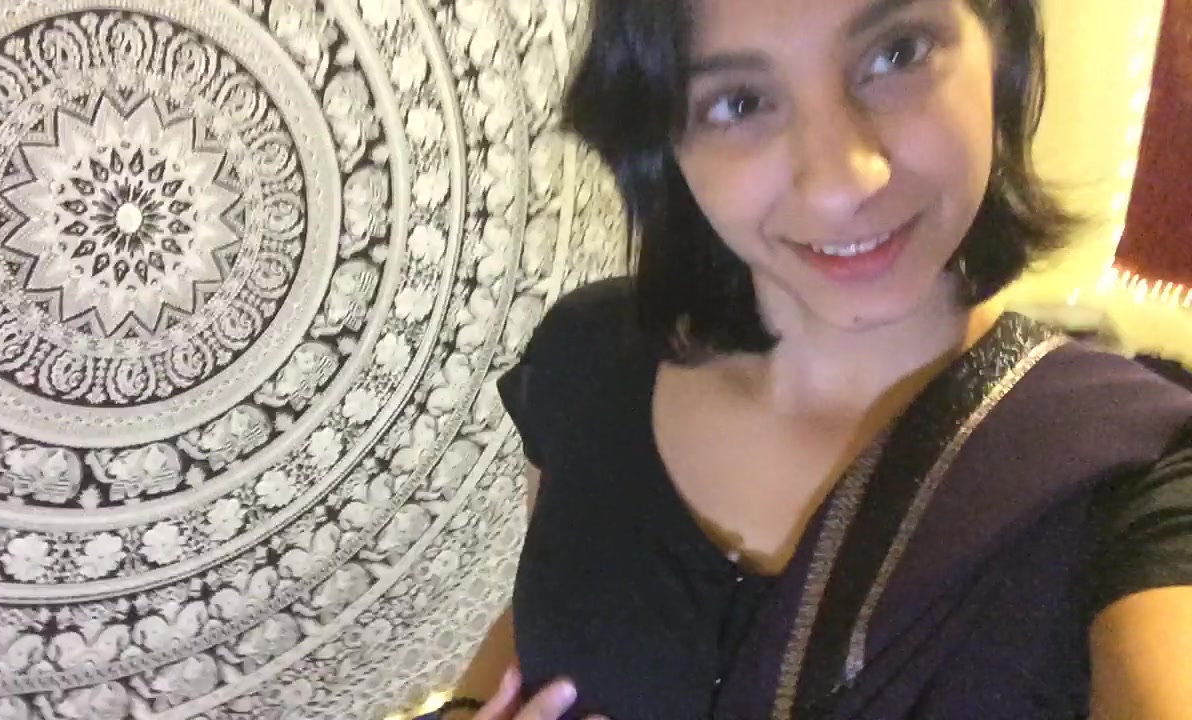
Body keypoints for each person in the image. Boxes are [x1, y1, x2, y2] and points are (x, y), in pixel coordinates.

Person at [428, 0, 1192, 717]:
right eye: (739, 103)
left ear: (1001, 43)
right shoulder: (591, 358)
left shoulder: (1137, 470)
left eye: (897, 54)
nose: (842, 183)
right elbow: (551, 613)